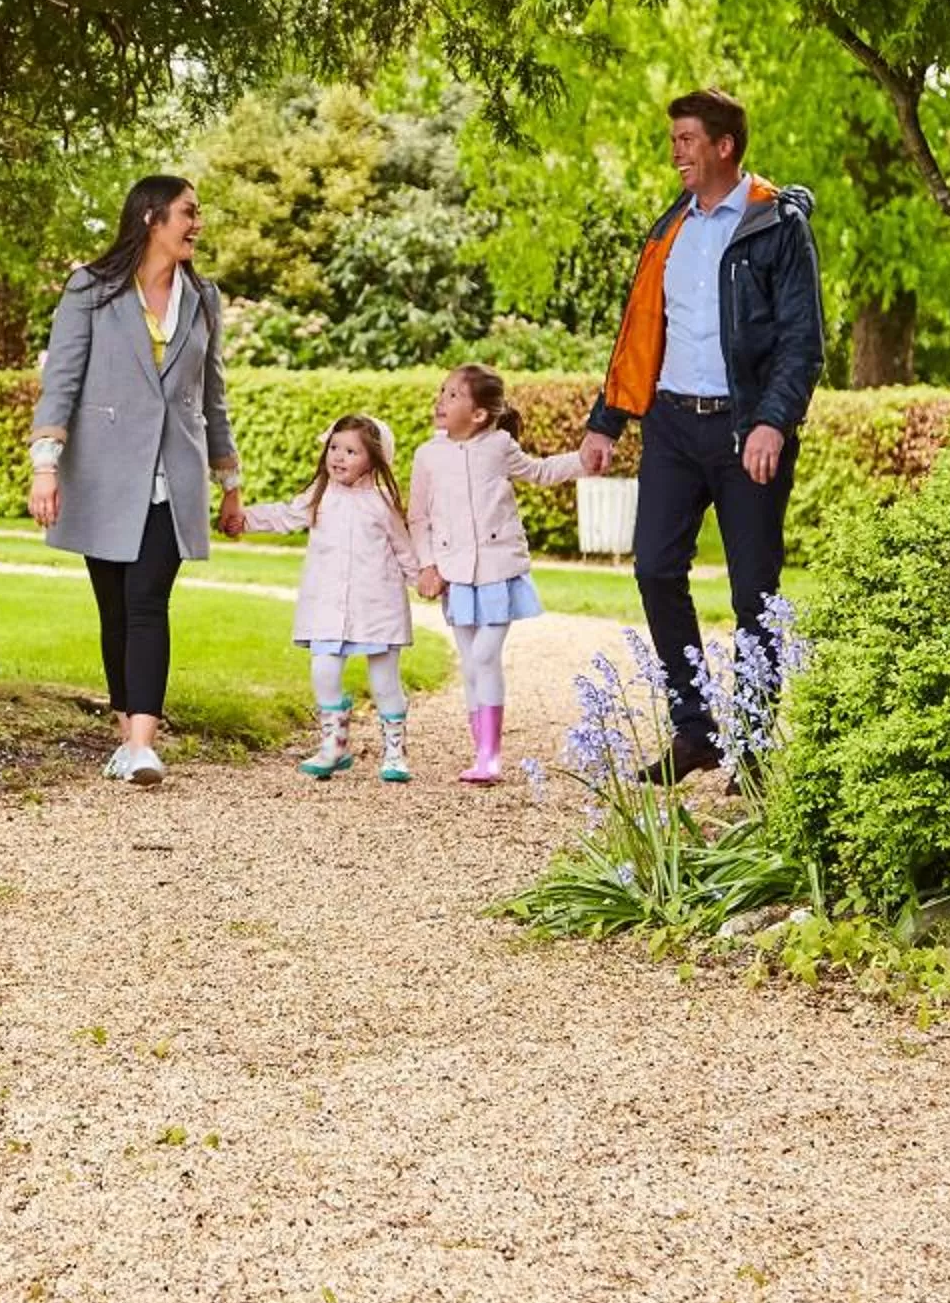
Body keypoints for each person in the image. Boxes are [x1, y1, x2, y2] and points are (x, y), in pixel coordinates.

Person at [576, 89, 823, 776]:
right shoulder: (670, 228)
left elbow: (802, 342)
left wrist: (774, 420)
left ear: (724, 146)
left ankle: (749, 742)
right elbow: (641, 332)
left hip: (747, 433)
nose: (676, 150)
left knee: (754, 593)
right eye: (675, 138)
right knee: (654, 567)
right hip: (673, 427)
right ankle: (695, 731)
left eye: (687, 138)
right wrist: (607, 423)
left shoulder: (775, 224)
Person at [27, 175, 247, 786]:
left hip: (172, 476)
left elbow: (213, 395)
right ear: (152, 217)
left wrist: (229, 481)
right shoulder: (91, 290)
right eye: (188, 212)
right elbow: (62, 382)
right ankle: (127, 737)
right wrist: (45, 466)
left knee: (149, 600)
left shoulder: (203, 297)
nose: (196, 224)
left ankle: (144, 743)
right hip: (101, 472)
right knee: (116, 610)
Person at [408, 364, 584, 785]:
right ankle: (482, 753)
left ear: (480, 414)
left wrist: (584, 460)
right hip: (455, 573)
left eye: (453, 395)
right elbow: (418, 517)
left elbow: (539, 472)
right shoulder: (427, 455)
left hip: (497, 569)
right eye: (442, 391)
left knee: (484, 656)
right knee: (471, 664)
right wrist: (427, 565)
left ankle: (491, 755)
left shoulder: (499, 445)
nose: (441, 400)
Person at [234, 415, 421, 782]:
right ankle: (334, 745)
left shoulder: (382, 503)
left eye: (351, 451)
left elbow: (404, 550)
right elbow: (285, 516)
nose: (338, 456)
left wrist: (424, 579)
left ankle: (395, 751)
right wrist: (245, 519)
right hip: (327, 604)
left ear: (375, 459)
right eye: (334, 447)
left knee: (385, 680)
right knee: (324, 670)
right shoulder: (320, 495)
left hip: (377, 606)